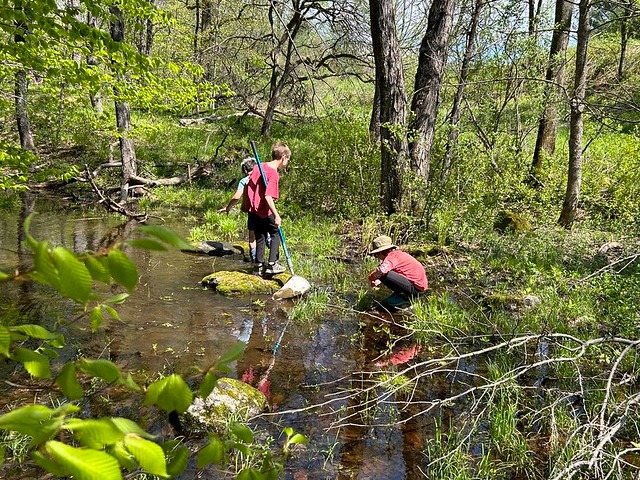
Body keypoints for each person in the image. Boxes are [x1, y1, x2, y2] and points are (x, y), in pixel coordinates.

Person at [245, 142, 290, 276]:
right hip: (264, 210)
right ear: (283, 157)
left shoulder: (260, 166)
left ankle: (258, 266)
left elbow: (249, 184)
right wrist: (276, 215)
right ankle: (272, 264)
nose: (287, 163)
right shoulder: (273, 174)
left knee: (260, 235)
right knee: (275, 233)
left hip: (254, 210)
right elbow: (268, 196)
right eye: (288, 159)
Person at [218, 157, 261, 262]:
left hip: (252, 211)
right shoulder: (262, 177)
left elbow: (237, 197)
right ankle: (272, 260)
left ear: (245, 170)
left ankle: (255, 262)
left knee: (252, 238)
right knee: (266, 235)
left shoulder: (244, 180)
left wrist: (228, 208)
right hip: (265, 210)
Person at [367, 235, 428, 307]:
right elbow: (398, 270)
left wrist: (371, 277)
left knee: (384, 275)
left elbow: (381, 271)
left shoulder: (391, 258)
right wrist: (378, 280)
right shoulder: (398, 254)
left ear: (381, 252)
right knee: (383, 275)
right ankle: (403, 294)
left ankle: (406, 297)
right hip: (420, 287)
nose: (377, 257)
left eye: (376, 255)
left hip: (416, 290)